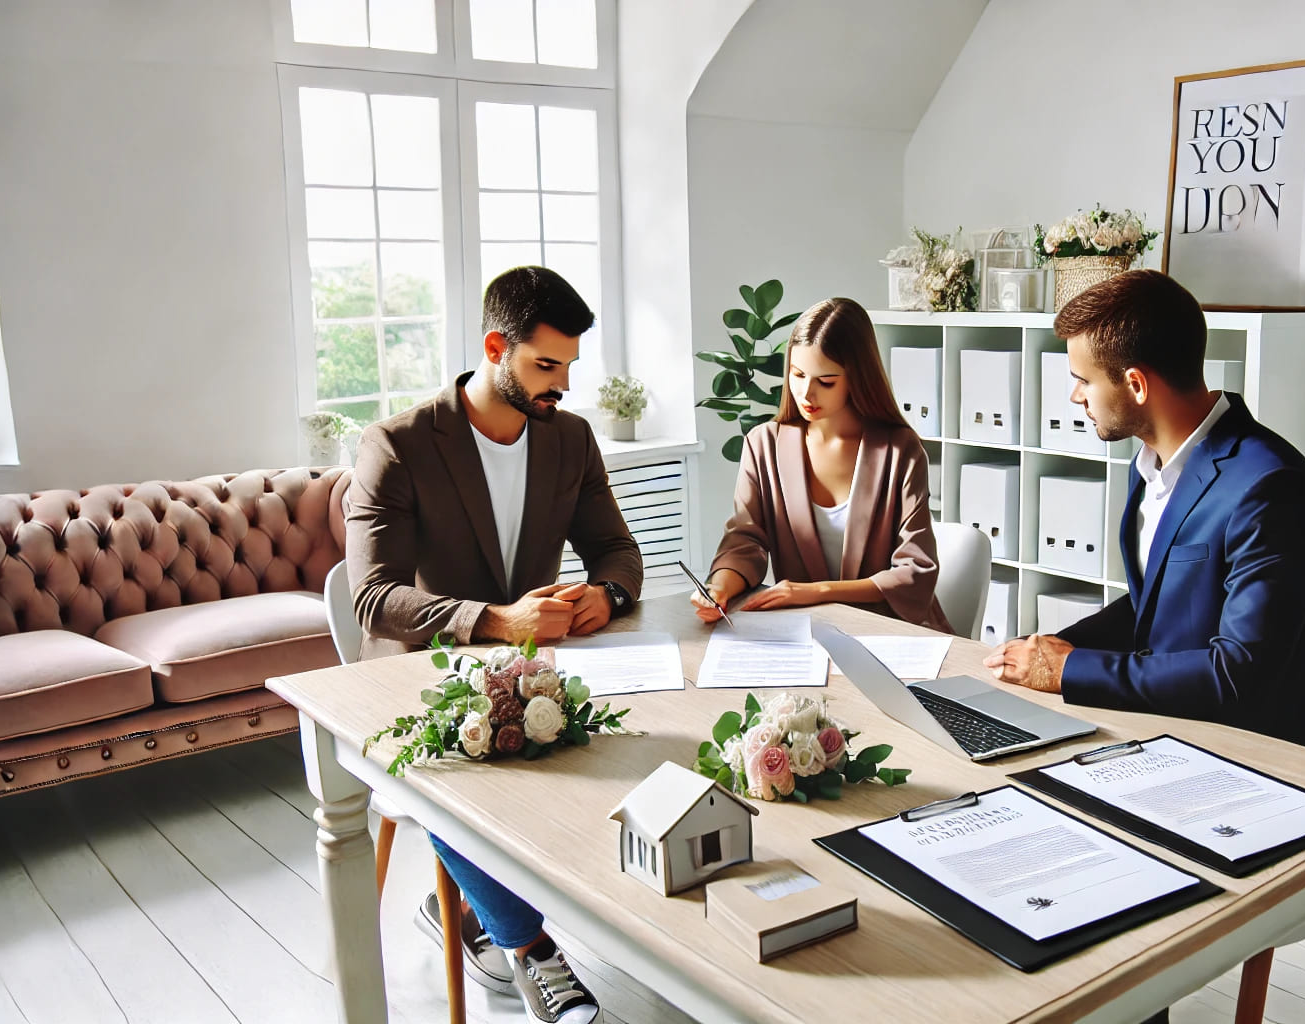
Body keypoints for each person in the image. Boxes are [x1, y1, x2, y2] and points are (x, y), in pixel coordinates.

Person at [349, 265, 641, 1023]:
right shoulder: (397, 445)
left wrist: (602, 598)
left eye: (571, 366)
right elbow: (372, 598)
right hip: (418, 684)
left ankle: (469, 911)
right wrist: (494, 619)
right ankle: (531, 949)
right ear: (494, 346)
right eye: (547, 366)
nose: (563, 385)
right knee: (456, 778)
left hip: (530, 679)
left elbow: (618, 551)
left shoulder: (570, 439)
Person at [982, 270, 1305, 757]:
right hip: (1164, 732)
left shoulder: (1269, 486)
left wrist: (1070, 669)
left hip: (1261, 756)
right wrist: (1046, 649)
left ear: (1135, 384)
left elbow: (1241, 674)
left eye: (1083, 381)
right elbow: (1154, 605)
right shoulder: (1148, 465)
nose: (1075, 398)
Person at [692, 297, 949, 631]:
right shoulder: (763, 444)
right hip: (807, 635)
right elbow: (745, 541)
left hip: (892, 632)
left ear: (857, 377)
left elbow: (915, 572)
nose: (806, 394)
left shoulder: (900, 451)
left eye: (826, 381)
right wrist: (720, 588)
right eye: (797, 375)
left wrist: (817, 592)